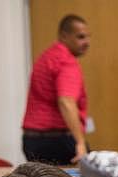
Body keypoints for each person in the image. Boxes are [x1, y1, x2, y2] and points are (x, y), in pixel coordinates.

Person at [22, 14, 90, 165]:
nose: (87, 42)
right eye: (81, 37)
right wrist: (80, 142)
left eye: (87, 37)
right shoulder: (66, 62)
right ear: (64, 36)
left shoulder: (46, 57)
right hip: (57, 141)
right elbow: (66, 101)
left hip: (32, 141)